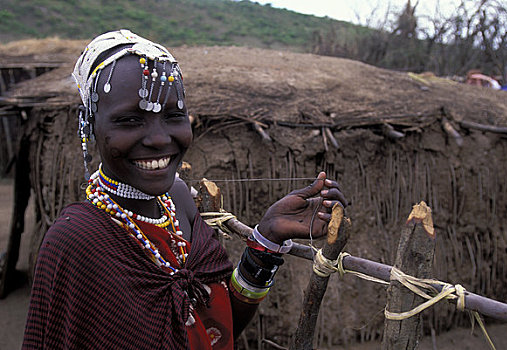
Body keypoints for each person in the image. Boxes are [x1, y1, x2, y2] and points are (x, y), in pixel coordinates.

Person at [22, 30, 347, 349]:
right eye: (130, 120)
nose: (160, 138)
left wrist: (267, 239)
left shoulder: (179, 200)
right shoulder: (76, 241)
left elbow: (215, 330)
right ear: (90, 125)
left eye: (174, 116)